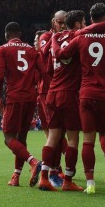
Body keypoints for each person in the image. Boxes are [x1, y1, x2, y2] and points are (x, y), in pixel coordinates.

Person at [51, 3, 105, 195]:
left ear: (90, 20)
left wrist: (54, 40)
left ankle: (90, 182)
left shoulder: (81, 37)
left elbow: (61, 55)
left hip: (87, 94)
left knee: (88, 140)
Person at [0, 22, 45, 187]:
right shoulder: (32, 50)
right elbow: (44, 72)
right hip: (31, 98)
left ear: (6, 35)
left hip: (15, 97)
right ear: (20, 34)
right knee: (21, 139)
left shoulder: (3, 49)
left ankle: (33, 162)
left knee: (8, 138)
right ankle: (16, 176)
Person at [36, 10, 67, 187]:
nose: (62, 26)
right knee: (53, 133)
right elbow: (41, 54)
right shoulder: (46, 36)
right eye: (59, 23)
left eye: (64, 23)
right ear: (53, 22)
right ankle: (52, 171)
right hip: (47, 91)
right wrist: (54, 38)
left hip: (61, 90)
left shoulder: (67, 38)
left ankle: (53, 167)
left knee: (59, 133)